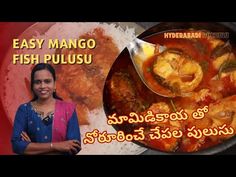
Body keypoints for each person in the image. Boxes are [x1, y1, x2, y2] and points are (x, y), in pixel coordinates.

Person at [11, 63, 81, 155]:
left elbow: (74, 147)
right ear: (32, 85)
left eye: (47, 81)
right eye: (37, 82)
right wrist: (57, 146)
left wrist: (31, 147)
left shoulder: (68, 109)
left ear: (55, 84)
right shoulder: (24, 110)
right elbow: (16, 146)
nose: (42, 86)